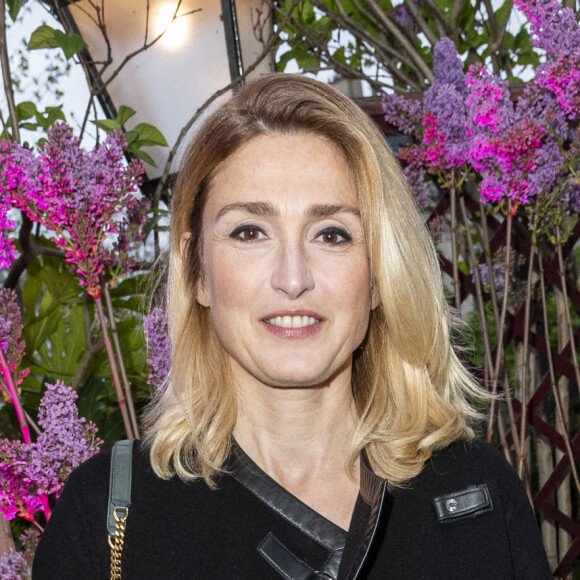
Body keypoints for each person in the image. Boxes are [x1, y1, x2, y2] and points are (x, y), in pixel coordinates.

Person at [32, 74, 551, 579]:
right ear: (197, 272)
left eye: (332, 234)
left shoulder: (477, 494)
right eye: (250, 231)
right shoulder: (105, 513)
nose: (293, 279)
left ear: (377, 276)